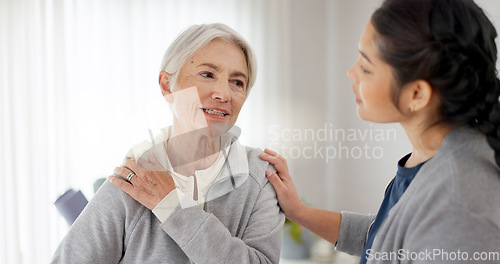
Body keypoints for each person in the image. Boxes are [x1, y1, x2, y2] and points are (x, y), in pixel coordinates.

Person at [260, 0, 500, 263]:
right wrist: (299, 212)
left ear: (417, 93)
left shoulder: (459, 208)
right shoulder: (430, 159)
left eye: (366, 67)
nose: (351, 73)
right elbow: (385, 240)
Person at [51, 23, 284, 263]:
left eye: (237, 82)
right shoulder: (135, 177)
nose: (223, 94)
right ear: (166, 85)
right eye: (207, 74)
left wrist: (173, 206)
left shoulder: (261, 173)